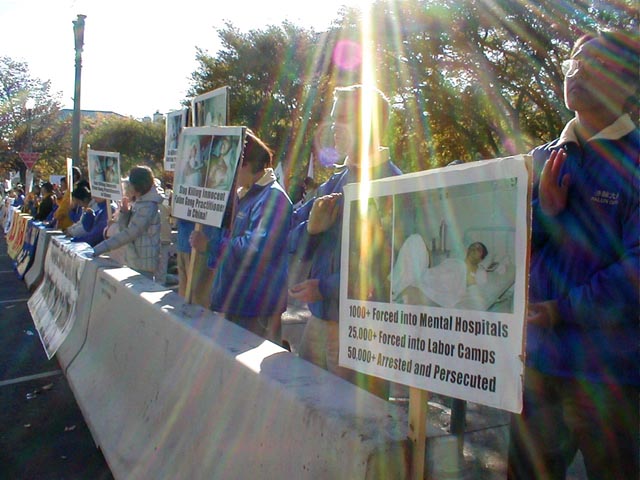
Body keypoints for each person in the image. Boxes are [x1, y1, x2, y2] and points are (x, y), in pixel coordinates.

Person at [507, 30, 639, 480]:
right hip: (536, 367)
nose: (576, 71)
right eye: (573, 62)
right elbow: (499, 252)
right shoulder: (541, 158)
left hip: (610, 376)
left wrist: (561, 310)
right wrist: (544, 214)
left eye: (594, 63)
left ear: (628, 82)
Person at [288, 84, 402, 399]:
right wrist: (311, 230)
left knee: (354, 419)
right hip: (318, 323)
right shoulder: (333, 183)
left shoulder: (396, 187)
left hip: (364, 333)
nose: (333, 128)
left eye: (343, 119)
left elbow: (390, 270)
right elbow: (291, 240)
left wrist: (325, 287)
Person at [191, 129, 292, 343]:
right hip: (238, 303)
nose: (224, 175)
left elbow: (255, 249)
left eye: (227, 167)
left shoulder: (272, 197)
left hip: (255, 309)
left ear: (245, 165)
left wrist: (211, 245)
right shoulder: (247, 194)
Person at [92, 166, 162, 278]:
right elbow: (124, 229)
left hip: (143, 264)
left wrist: (97, 250)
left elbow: (129, 234)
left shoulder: (148, 207)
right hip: (134, 260)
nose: (128, 187)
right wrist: (125, 214)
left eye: (130, 184)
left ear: (138, 185)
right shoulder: (140, 203)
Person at [391, 235, 493, 306]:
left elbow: (475, 287)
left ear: (481, 258)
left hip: (446, 284)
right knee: (415, 239)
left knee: (412, 290)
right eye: (473, 245)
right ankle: (400, 286)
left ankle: (399, 288)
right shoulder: (454, 260)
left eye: (479, 248)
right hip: (433, 274)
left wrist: (470, 273)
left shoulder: (479, 271)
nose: (475, 248)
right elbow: (439, 269)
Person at [53, 167, 83, 231]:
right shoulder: (69, 190)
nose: (66, 178)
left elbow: (65, 207)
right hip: (64, 223)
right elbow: (63, 204)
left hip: (67, 224)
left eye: (67, 176)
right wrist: (59, 198)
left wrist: (57, 216)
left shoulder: (74, 190)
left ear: (74, 176)